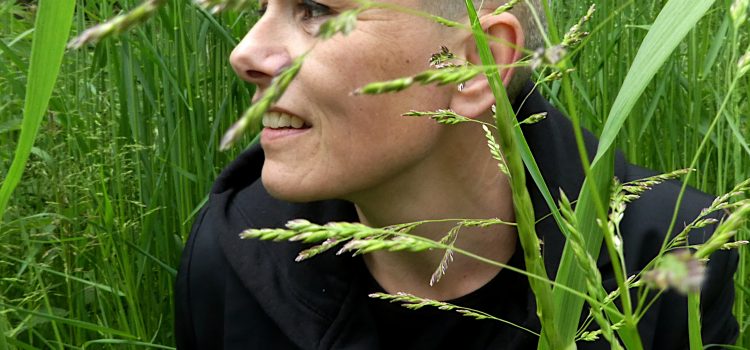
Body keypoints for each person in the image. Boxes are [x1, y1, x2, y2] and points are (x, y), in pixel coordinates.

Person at [174, 0, 739, 348]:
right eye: (262, 9)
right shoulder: (230, 253)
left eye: (315, 9)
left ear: (475, 64)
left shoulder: (665, 251)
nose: (244, 52)